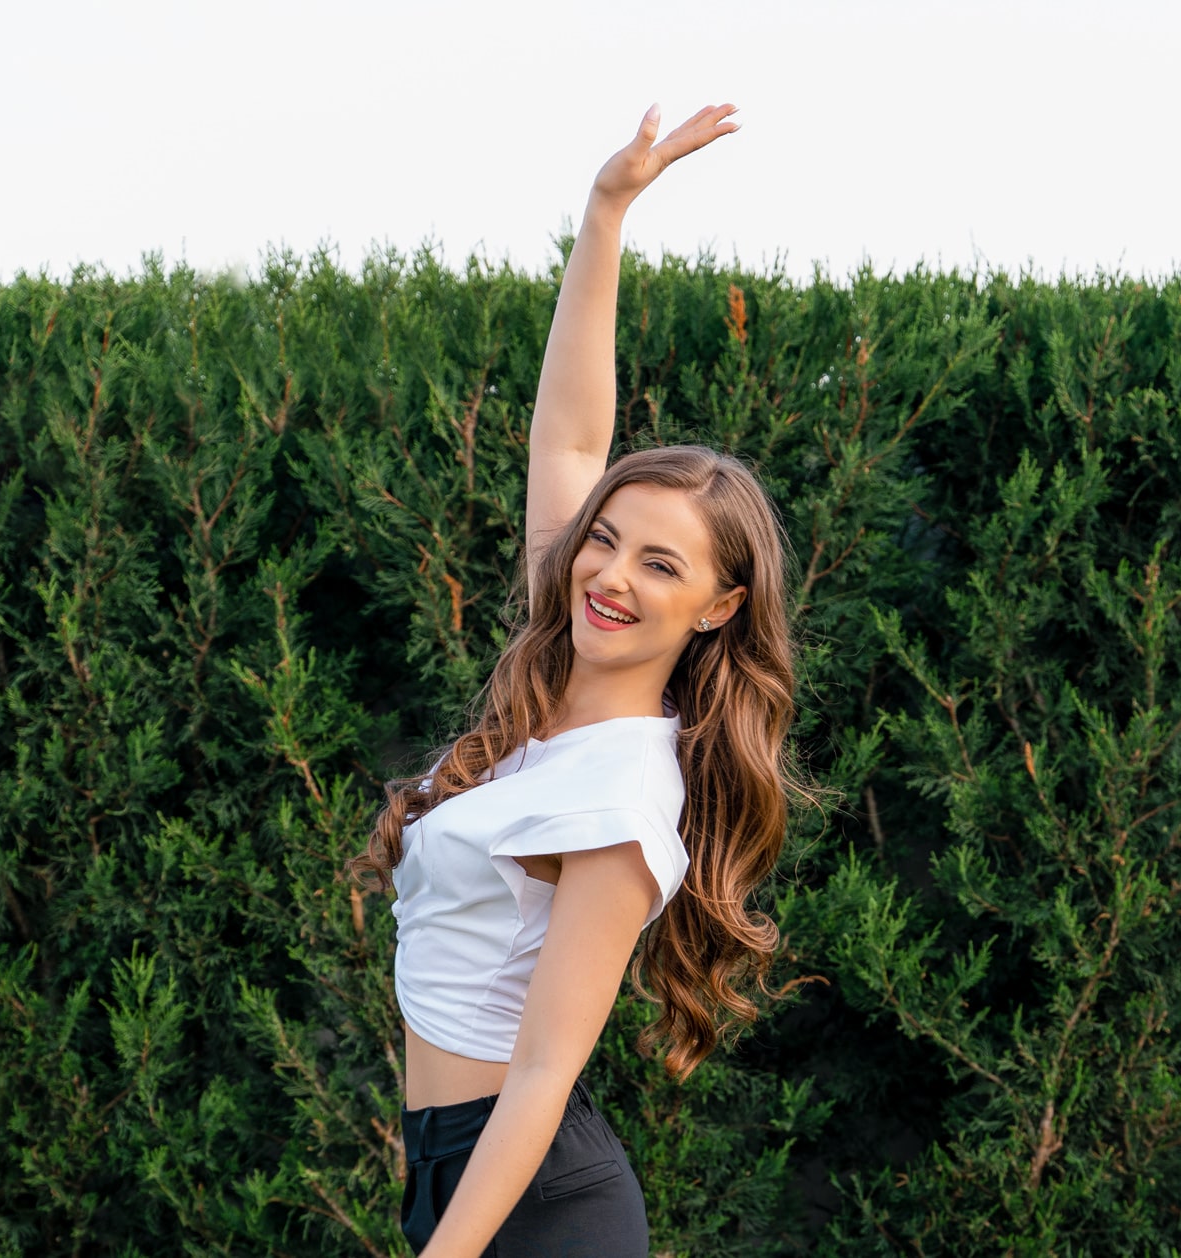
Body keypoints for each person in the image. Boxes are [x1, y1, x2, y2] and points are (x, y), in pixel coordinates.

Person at [344, 102, 812, 1256]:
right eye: (604, 537)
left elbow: (546, 1069)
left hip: (532, 1200)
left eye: (660, 563)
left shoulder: (617, 796)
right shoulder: (555, 694)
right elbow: (563, 445)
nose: (604, 572)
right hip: (461, 1172)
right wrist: (606, 212)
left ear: (716, 609)